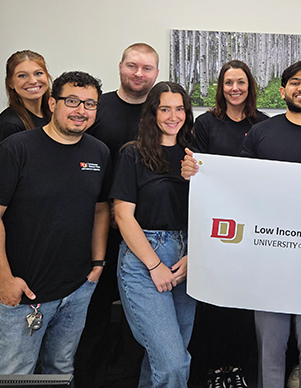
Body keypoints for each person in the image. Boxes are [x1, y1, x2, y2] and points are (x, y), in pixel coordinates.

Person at [183, 60, 301, 388]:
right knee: (269, 349)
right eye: (295, 82)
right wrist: (199, 172)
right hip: (267, 260)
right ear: (282, 90)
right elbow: (239, 188)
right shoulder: (261, 133)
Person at [0, 71, 111, 375]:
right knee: (16, 373)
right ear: (52, 103)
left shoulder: (99, 152)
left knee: (60, 369)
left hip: (77, 289)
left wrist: (97, 263)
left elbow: (100, 210)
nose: (81, 110)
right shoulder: (16, 148)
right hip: (25, 293)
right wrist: (4, 280)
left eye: (90, 104)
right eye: (72, 101)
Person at [75, 43, 160, 388]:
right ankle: (87, 379)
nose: (138, 74)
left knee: (136, 320)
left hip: (146, 234)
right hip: (98, 229)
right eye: (132, 66)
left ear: (156, 73)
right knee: (92, 314)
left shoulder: (161, 112)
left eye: (146, 68)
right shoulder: (99, 108)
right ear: (120, 66)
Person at [112, 82, 196, 388]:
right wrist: (154, 265)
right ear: (152, 112)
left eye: (179, 109)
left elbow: (209, 215)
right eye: (165, 109)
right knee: (173, 363)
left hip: (187, 260)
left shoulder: (195, 158)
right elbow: (123, 215)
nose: (173, 116)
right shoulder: (133, 154)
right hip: (144, 259)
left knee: (161, 361)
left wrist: (193, 255)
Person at [191, 60, 268, 387]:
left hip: (254, 225)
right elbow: (198, 169)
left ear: (250, 86)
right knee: (213, 299)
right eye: (228, 83)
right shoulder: (206, 123)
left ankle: (240, 370)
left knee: (245, 300)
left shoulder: (264, 124)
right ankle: (214, 369)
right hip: (217, 224)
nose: (234, 88)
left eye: (240, 82)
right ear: (220, 88)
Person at [0, 49, 53, 373]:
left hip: (32, 241)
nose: (32, 81)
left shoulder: (50, 119)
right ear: (11, 84)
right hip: (5, 242)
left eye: (37, 73)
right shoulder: (10, 127)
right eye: (22, 76)